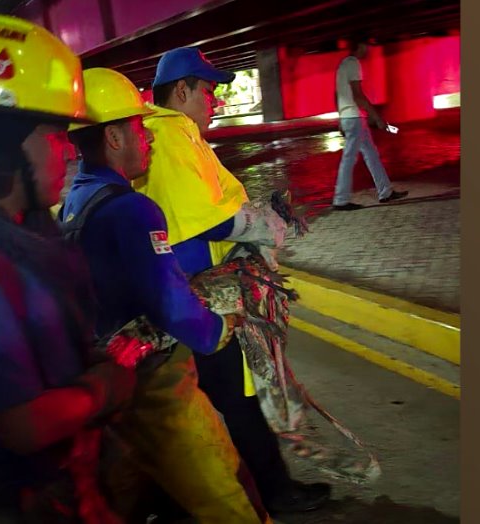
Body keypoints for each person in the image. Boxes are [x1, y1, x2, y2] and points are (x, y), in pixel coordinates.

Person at [0, 16, 137, 523]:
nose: (67, 158)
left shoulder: (24, 230)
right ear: (7, 147)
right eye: (56, 140)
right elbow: (20, 424)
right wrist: (106, 386)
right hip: (21, 502)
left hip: (63, 481)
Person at [61, 67, 269, 523]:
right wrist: (218, 329)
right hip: (153, 382)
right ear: (114, 138)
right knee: (224, 494)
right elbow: (170, 302)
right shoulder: (133, 209)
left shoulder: (77, 200)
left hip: (110, 375)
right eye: (140, 129)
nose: (150, 138)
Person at [134, 47, 331, 515]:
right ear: (181, 90)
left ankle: (193, 494)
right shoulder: (171, 137)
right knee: (238, 400)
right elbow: (211, 221)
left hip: (189, 293)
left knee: (211, 401)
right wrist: (268, 225)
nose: (214, 102)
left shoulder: (174, 134)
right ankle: (269, 492)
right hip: (201, 295)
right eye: (207, 91)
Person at [332, 35, 408, 211]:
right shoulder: (353, 64)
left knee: (371, 154)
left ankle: (385, 192)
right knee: (349, 159)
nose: (368, 49)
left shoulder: (342, 65)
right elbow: (358, 95)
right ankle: (340, 200)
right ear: (360, 45)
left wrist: (340, 118)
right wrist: (377, 117)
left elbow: (337, 95)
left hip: (351, 117)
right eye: (367, 45)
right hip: (354, 118)